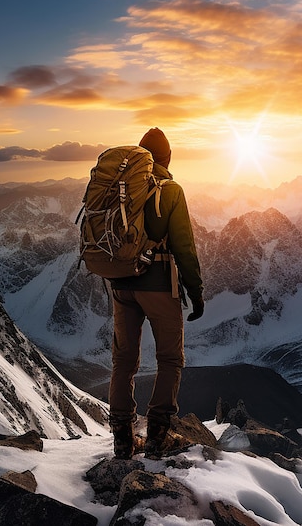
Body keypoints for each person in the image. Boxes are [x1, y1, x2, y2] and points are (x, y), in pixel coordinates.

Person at [108, 127, 204, 459]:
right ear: (168, 158)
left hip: (120, 284)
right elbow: (184, 248)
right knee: (170, 359)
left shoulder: (120, 190)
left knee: (123, 360)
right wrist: (197, 292)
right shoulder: (171, 190)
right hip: (158, 285)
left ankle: (122, 438)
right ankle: (157, 435)